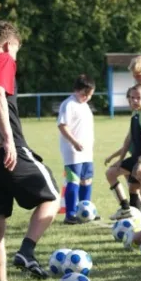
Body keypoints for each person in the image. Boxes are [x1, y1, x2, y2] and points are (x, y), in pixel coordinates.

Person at [0, 21, 60, 281]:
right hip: (5, 150)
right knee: (52, 195)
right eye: (16, 51)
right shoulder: (1, 58)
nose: (14, 59)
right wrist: (9, 139)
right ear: (6, 44)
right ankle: (27, 250)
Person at [105, 84, 141, 220]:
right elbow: (129, 139)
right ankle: (126, 209)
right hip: (136, 157)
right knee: (113, 174)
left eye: (138, 98)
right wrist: (119, 159)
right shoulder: (135, 113)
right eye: (131, 98)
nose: (134, 101)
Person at [57, 74, 96, 224]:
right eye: (84, 94)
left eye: (89, 95)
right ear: (76, 90)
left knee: (86, 181)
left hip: (86, 151)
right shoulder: (69, 104)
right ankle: (70, 214)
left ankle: (85, 211)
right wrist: (74, 142)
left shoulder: (85, 105)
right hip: (72, 151)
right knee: (73, 181)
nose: (86, 97)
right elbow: (62, 125)